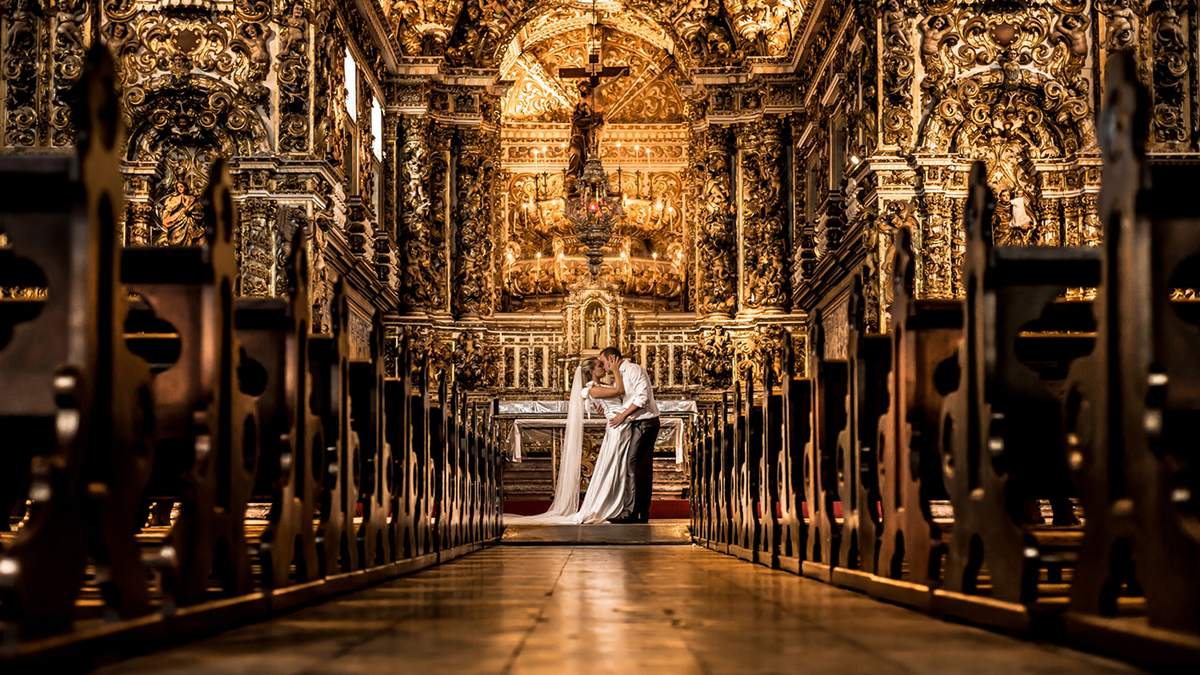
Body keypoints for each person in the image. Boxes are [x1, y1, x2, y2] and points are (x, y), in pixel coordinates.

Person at [597, 346, 660, 524]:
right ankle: (640, 513)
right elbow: (622, 400)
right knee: (641, 468)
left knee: (632, 465)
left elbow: (642, 398)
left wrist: (623, 415)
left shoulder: (633, 370)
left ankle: (630, 512)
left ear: (612, 358)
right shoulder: (619, 374)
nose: (603, 366)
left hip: (645, 423)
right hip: (636, 423)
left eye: (603, 362)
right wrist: (607, 408)